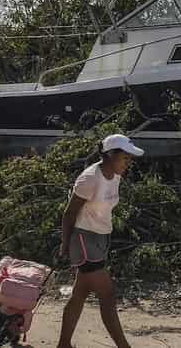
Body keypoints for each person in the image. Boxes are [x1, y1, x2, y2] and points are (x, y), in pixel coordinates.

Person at [57, 134, 144, 348]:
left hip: (100, 239)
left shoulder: (115, 175)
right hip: (84, 240)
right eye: (125, 158)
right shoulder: (89, 179)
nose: (128, 162)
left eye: (130, 158)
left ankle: (63, 345)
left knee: (80, 294)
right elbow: (69, 214)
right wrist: (65, 245)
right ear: (110, 155)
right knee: (107, 295)